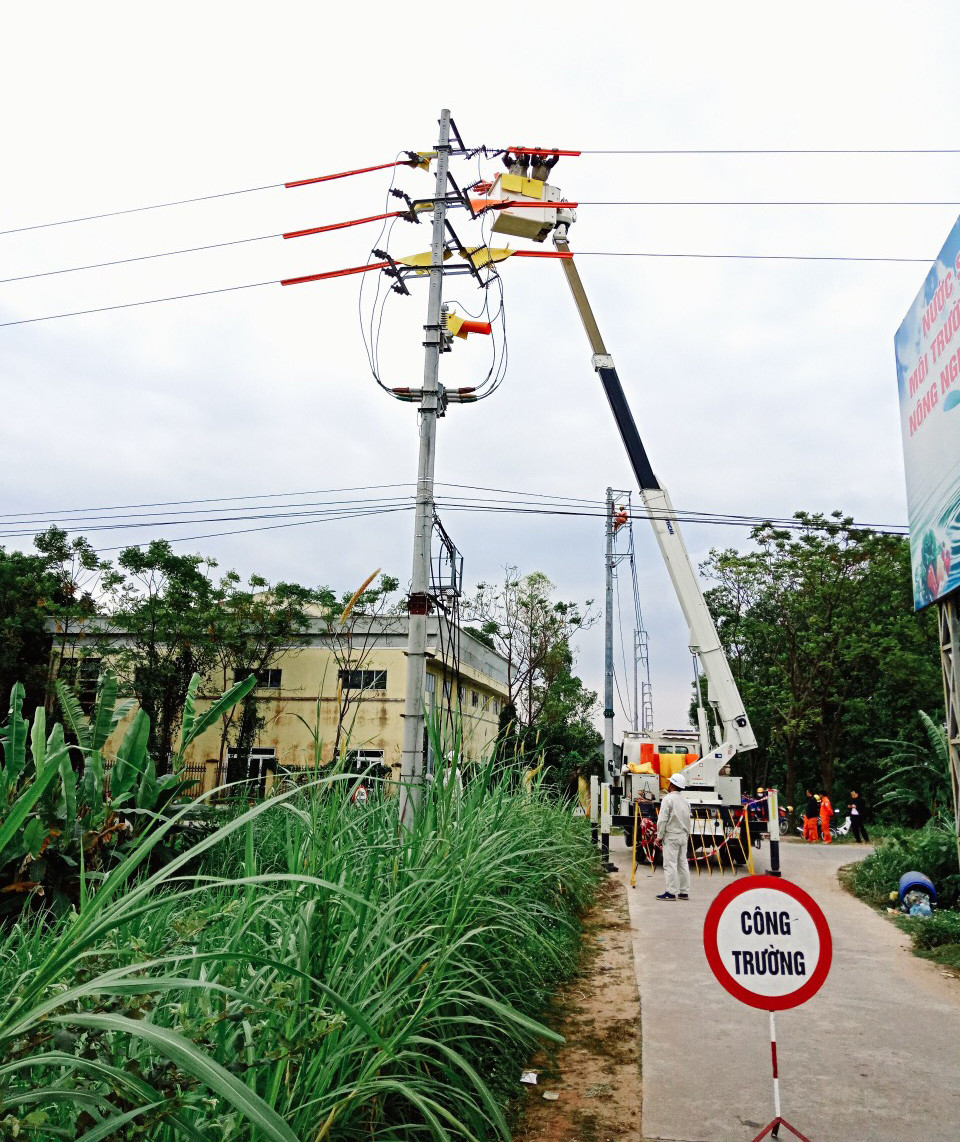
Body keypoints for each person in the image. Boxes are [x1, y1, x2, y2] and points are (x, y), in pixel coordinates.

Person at [656, 772, 693, 900]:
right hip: (683, 836)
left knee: (670, 864)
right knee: (682, 863)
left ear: (672, 785)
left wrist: (659, 836)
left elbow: (662, 820)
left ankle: (671, 892)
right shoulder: (686, 801)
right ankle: (684, 892)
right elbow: (688, 820)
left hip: (671, 836)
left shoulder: (668, 799)